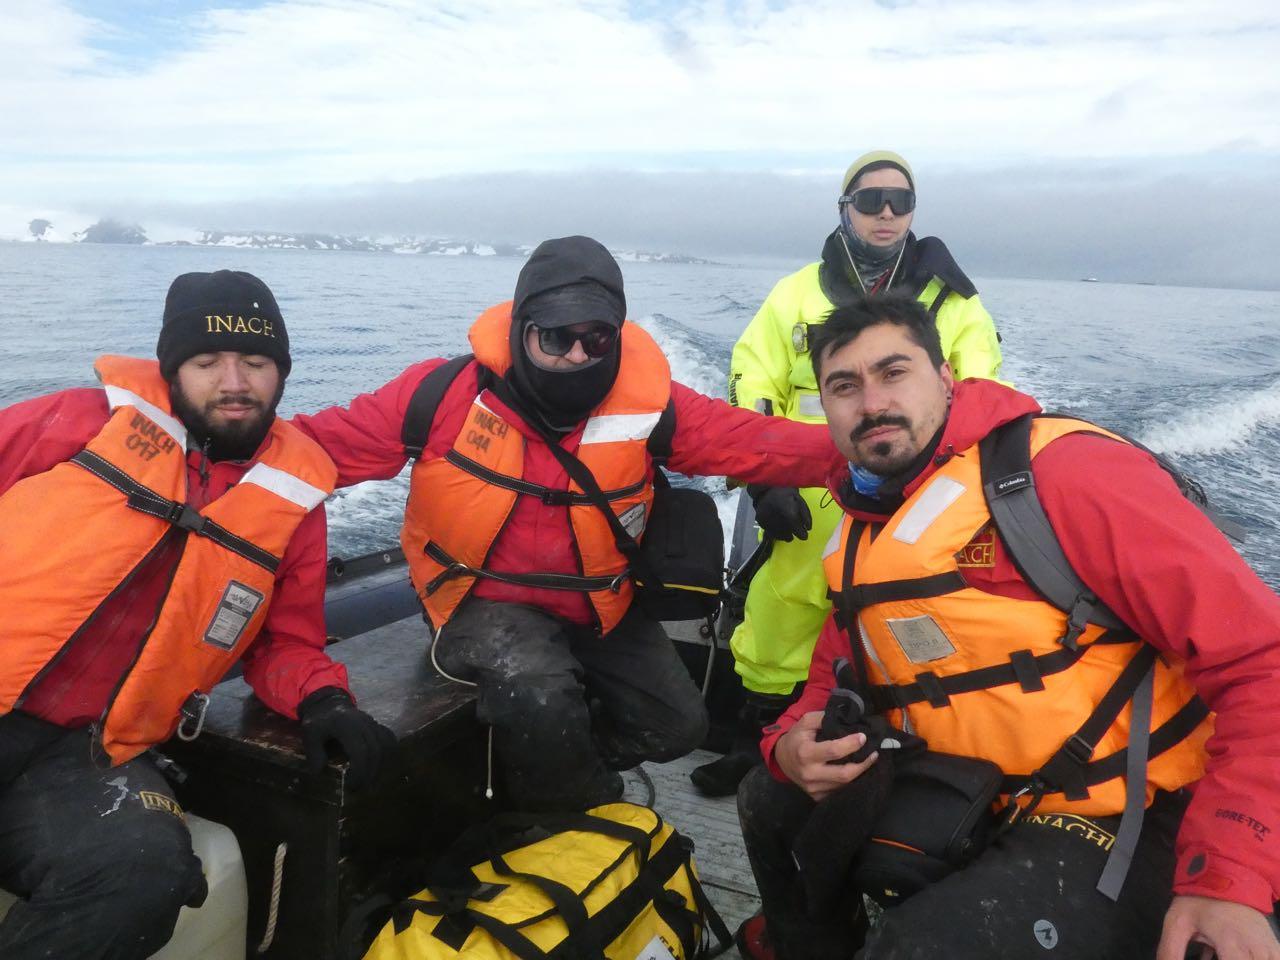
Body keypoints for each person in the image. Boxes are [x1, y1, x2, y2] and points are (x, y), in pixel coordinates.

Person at [735, 293, 1280, 960]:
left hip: (1127, 804)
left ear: (945, 378)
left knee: (921, 950)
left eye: (894, 372)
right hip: (973, 783)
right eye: (844, 386)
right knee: (769, 801)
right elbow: (838, 668)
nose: (871, 402)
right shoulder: (860, 530)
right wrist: (789, 743)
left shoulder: (1064, 475)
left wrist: (1228, 877)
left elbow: (1262, 660)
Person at [293, 235, 840, 812]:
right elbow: (316, 449)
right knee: (537, 690)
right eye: (556, 336)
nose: (577, 355)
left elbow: (753, 442)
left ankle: (546, 766)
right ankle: (566, 811)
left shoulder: (652, 407)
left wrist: (872, 449)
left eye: (596, 337)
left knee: (680, 725)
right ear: (522, 329)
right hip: (479, 600)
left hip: (597, 602)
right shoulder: (439, 396)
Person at [0, 270, 396, 960]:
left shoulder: (291, 506)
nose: (234, 380)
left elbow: (284, 644)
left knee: (144, 871)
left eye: (256, 361)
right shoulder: (75, 422)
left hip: (88, 756)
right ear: (172, 368)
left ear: (282, 372)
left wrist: (325, 700)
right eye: (207, 362)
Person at [694, 150, 1006, 797]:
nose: (887, 211)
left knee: (898, 623)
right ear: (845, 209)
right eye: (871, 200)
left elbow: (979, 390)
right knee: (774, 628)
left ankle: (881, 757)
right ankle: (760, 751)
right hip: (801, 500)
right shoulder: (795, 295)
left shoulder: (953, 303)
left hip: (908, 500)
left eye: (901, 199)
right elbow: (753, 377)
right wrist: (764, 480)